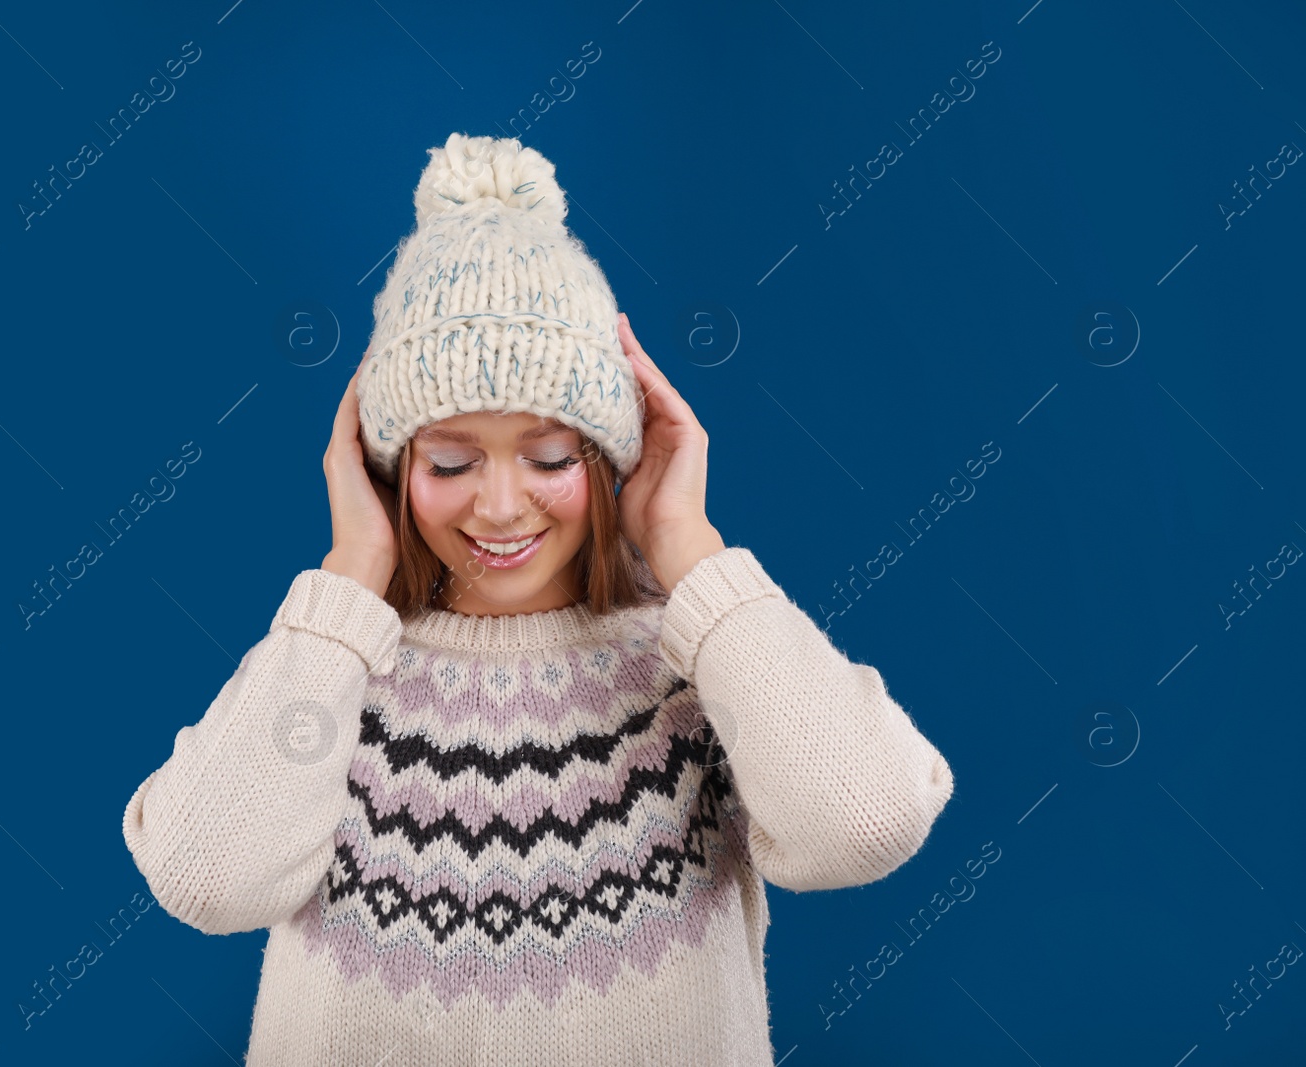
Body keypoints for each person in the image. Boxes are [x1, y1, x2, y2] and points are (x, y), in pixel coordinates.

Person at [122, 132, 955, 1066]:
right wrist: (350, 570)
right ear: (387, 466)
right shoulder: (331, 671)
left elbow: (864, 822)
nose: (503, 503)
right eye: (449, 460)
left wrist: (688, 547)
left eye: (552, 456)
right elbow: (207, 879)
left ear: (608, 459)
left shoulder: (698, 666)